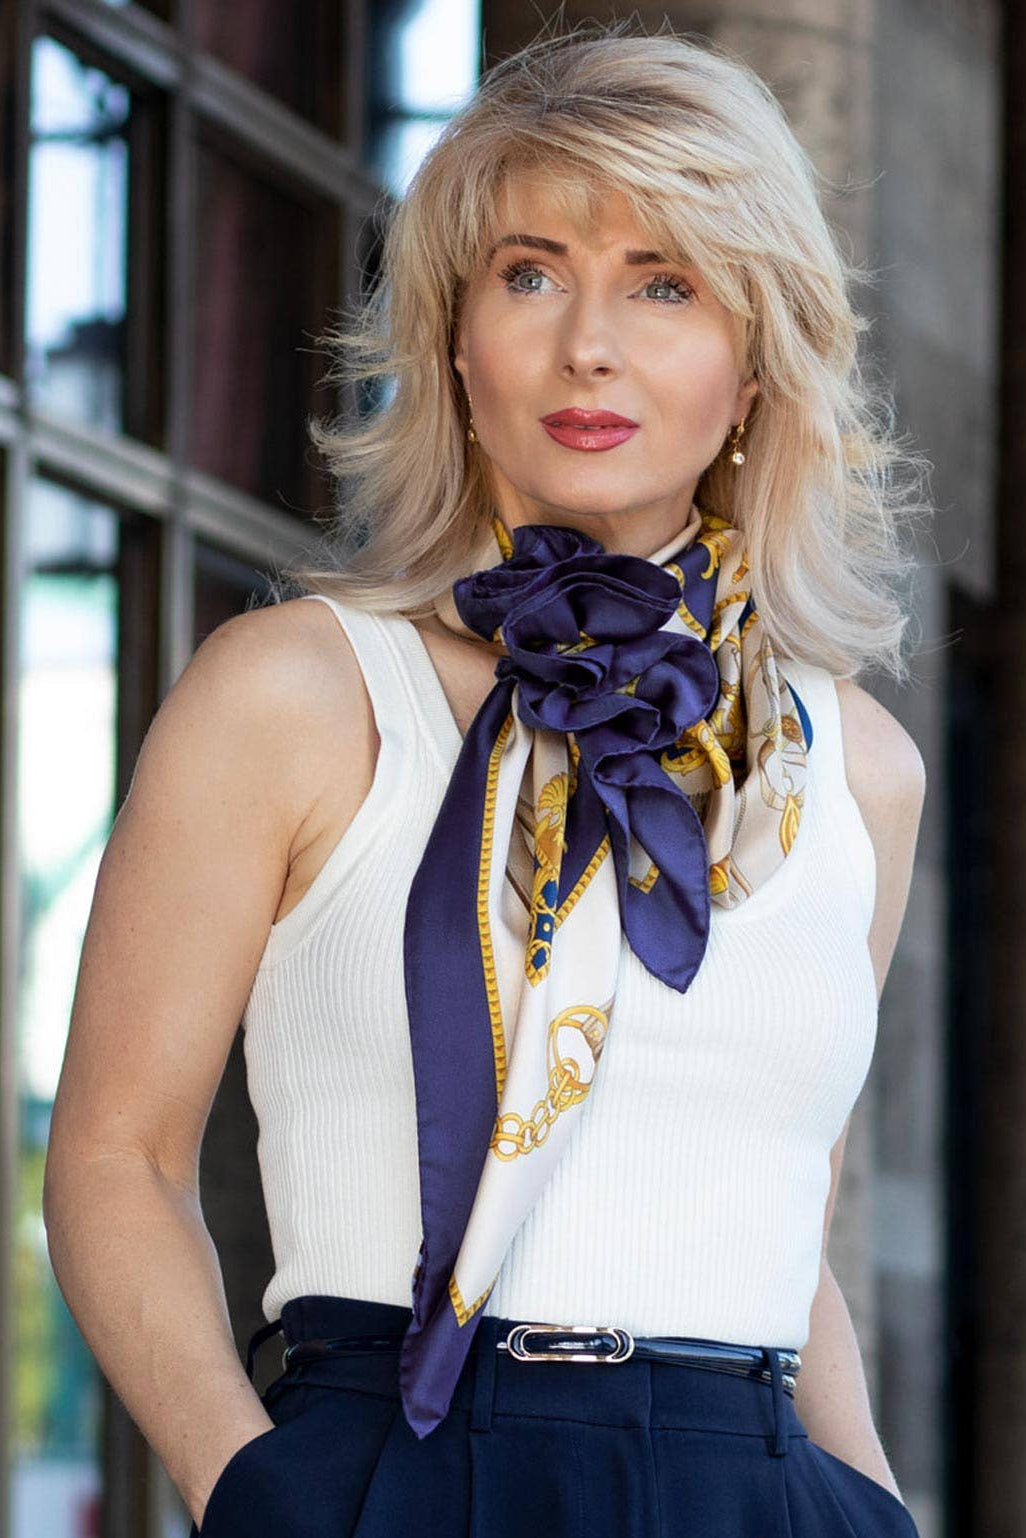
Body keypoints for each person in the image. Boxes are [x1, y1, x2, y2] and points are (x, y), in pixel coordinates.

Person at [42, 18, 930, 1538]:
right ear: (456, 337)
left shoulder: (854, 766)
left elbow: (789, 1217)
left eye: (664, 283)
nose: (590, 341)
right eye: (531, 273)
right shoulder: (296, 694)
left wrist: (876, 1504)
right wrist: (254, 1492)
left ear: (755, 359)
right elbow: (117, 1154)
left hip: (759, 1484)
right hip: (400, 1465)